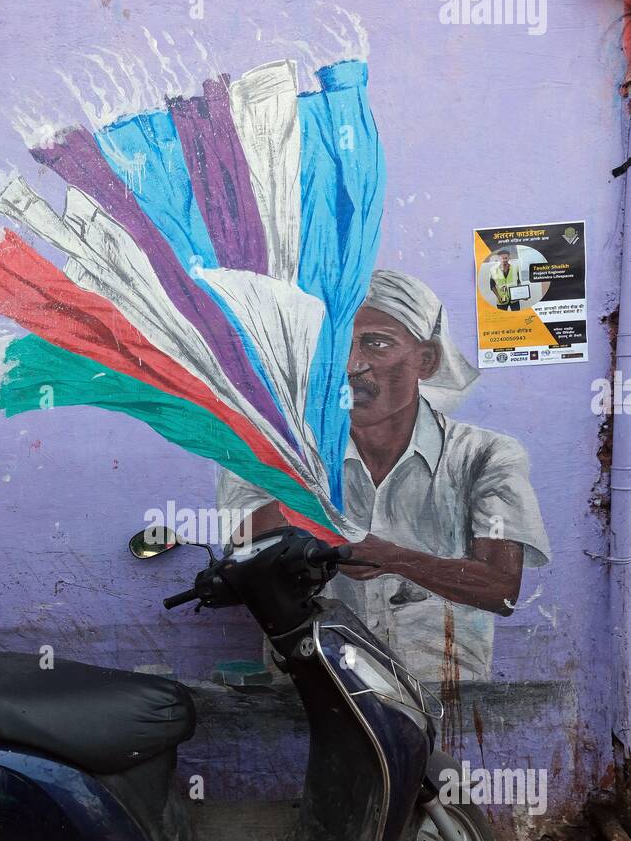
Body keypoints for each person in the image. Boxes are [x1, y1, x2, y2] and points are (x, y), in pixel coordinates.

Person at [216, 269, 550, 683]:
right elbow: (240, 554)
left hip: (444, 695)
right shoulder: (274, 452)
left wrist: (395, 559)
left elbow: (500, 588)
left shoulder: (483, 456)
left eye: (377, 343)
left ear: (426, 360)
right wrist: (305, 486)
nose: (352, 365)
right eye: (335, 345)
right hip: (321, 692)